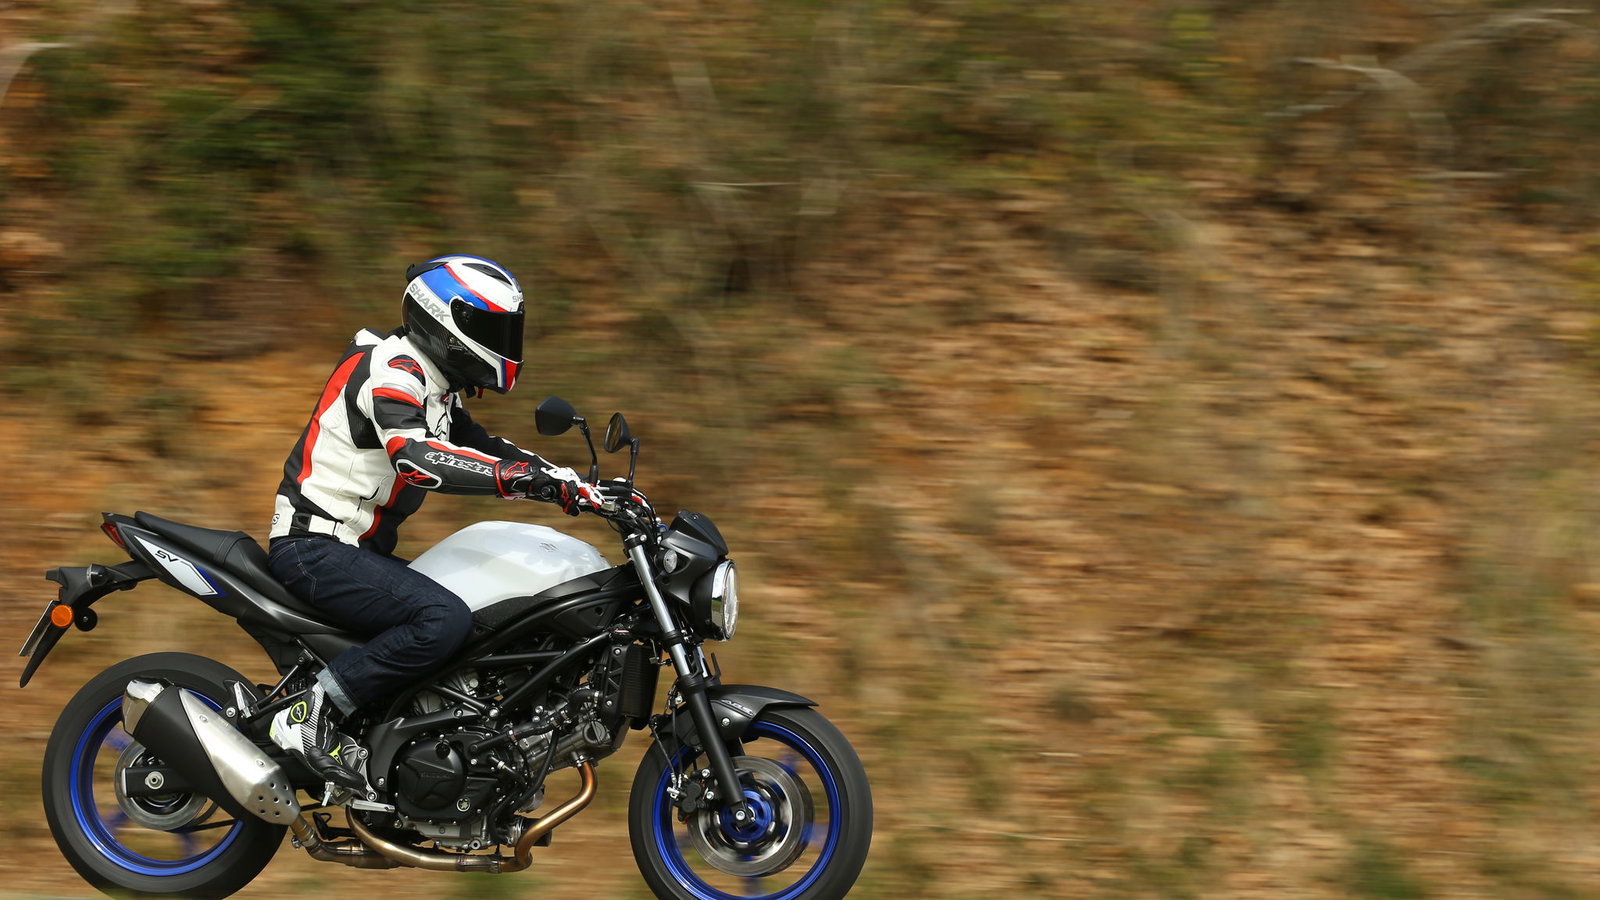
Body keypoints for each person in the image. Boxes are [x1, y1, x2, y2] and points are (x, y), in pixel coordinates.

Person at [264, 254, 600, 791]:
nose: (505, 342)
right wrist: (520, 480)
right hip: (314, 547)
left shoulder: (434, 386)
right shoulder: (391, 369)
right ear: (447, 320)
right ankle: (311, 713)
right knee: (442, 619)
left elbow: (487, 447)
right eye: (493, 328)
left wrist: (579, 487)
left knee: (480, 620)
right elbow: (416, 457)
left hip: (355, 551)